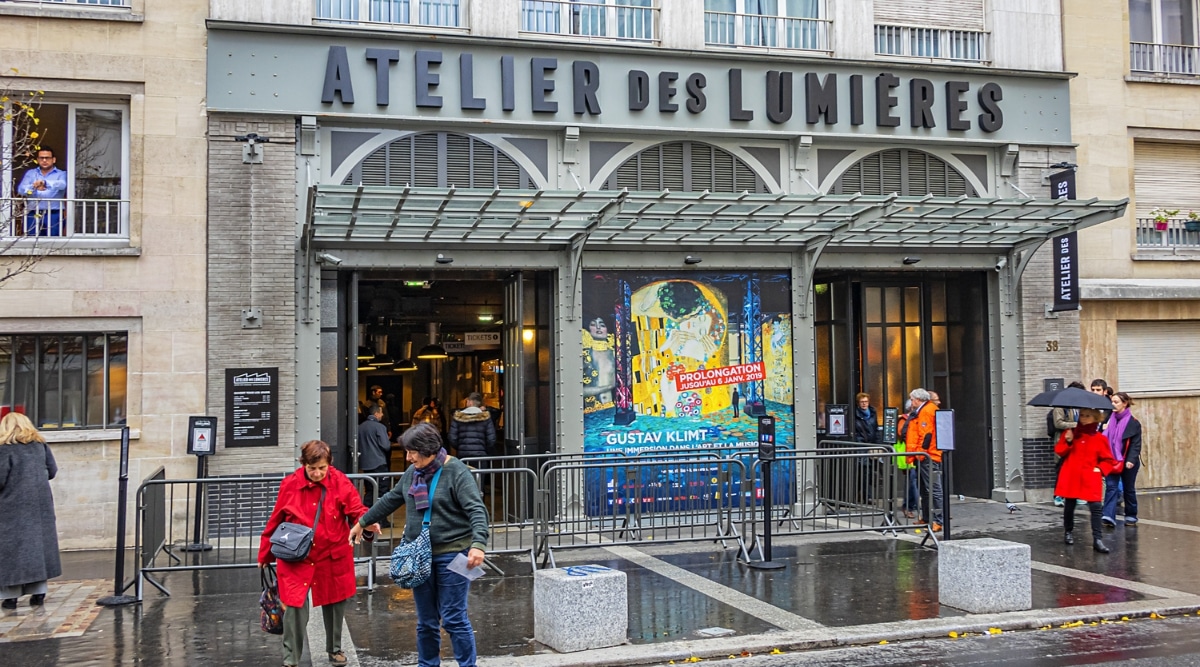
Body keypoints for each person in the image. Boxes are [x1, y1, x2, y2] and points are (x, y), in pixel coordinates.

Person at [351, 423, 489, 667]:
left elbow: (476, 509)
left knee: (454, 619)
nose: (407, 457)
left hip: (454, 555)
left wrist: (478, 544)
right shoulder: (414, 472)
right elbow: (393, 498)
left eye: (412, 451)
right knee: (426, 622)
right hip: (420, 556)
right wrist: (363, 521)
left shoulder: (456, 471)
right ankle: (427, 665)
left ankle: (468, 665)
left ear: (428, 449)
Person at [258, 440, 378, 667]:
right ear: (303, 463)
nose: (316, 473)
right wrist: (265, 555)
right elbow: (276, 520)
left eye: (322, 468)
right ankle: (291, 658)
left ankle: (334, 649)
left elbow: (355, 509)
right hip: (296, 556)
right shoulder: (290, 484)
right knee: (293, 607)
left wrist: (366, 523)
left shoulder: (339, 481)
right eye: (312, 468)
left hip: (332, 553)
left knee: (335, 603)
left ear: (329, 464)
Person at [0, 413, 60, 609]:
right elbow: (52, 471)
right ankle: (39, 593)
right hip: (40, 506)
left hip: (11, 507)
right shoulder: (40, 446)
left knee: (12, 550)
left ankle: (11, 596)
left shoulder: (4, 449)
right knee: (38, 549)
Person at [1054, 408, 1118, 553]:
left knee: (1096, 507)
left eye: (1087, 416)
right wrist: (1068, 441)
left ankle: (1097, 539)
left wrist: (1100, 469)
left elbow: (1108, 460)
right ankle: (1068, 531)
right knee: (1069, 505)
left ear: (1095, 418)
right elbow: (1059, 451)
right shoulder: (1071, 433)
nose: (1083, 418)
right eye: (1082, 415)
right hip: (1072, 473)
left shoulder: (1100, 438)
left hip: (1089, 475)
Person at [1102, 392, 1143, 527]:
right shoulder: (1108, 419)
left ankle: (1131, 515)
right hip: (1111, 460)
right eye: (1112, 402)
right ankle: (1108, 515)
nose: (1113, 404)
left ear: (1124, 404)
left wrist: (1131, 460)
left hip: (1127, 461)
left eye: (1116, 402)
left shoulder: (1133, 423)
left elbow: (1135, 444)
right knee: (1111, 487)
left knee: (1128, 488)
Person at [905, 388, 943, 532]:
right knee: (926, 490)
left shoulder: (927, 411)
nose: (911, 401)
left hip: (928, 456)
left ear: (918, 399)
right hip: (924, 455)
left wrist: (919, 454)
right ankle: (928, 518)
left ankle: (937, 521)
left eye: (912, 399)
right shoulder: (924, 410)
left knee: (933, 489)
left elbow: (925, 435)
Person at [17, 148, 67, 237]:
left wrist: (45, 183)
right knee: (31, 241)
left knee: (53, 241)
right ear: (37, 160)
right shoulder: (31, 173)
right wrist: (34, 186)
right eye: (41, 158)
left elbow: (62, 185)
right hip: (33, 212)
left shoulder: (61, 174)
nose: (44, 160)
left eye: (47, 158)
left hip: (54, 214)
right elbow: (21, 190)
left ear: (53, 159)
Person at [1051, 381, 1086, 507]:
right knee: (1061, 468)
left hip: (1077, 443)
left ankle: (1075, 495)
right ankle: (1058, 495)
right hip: (1063, 441)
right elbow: (1058, 423)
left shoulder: (1079, 407)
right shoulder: (1060, 406)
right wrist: (1076, 425)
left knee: (1075, 469)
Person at [358, 404, 393, 521]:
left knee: (370, 491)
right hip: (379, 463)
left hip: (366, 464)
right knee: (382, 492)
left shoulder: (360, 427)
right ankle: (381, 519)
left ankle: (365, 517)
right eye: (381, 412)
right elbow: (386, 445)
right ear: (376, 413)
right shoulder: (380, 427)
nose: (382, 415)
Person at [449, 391, 496, 460]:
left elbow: (452, 438)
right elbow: (491, 439)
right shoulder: (486, 417)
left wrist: (460, 447)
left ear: (470, 402)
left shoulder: (458, 417)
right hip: (480, 455)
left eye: (467, 401)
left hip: (463, 455)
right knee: (480, 471)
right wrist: (483, 449)